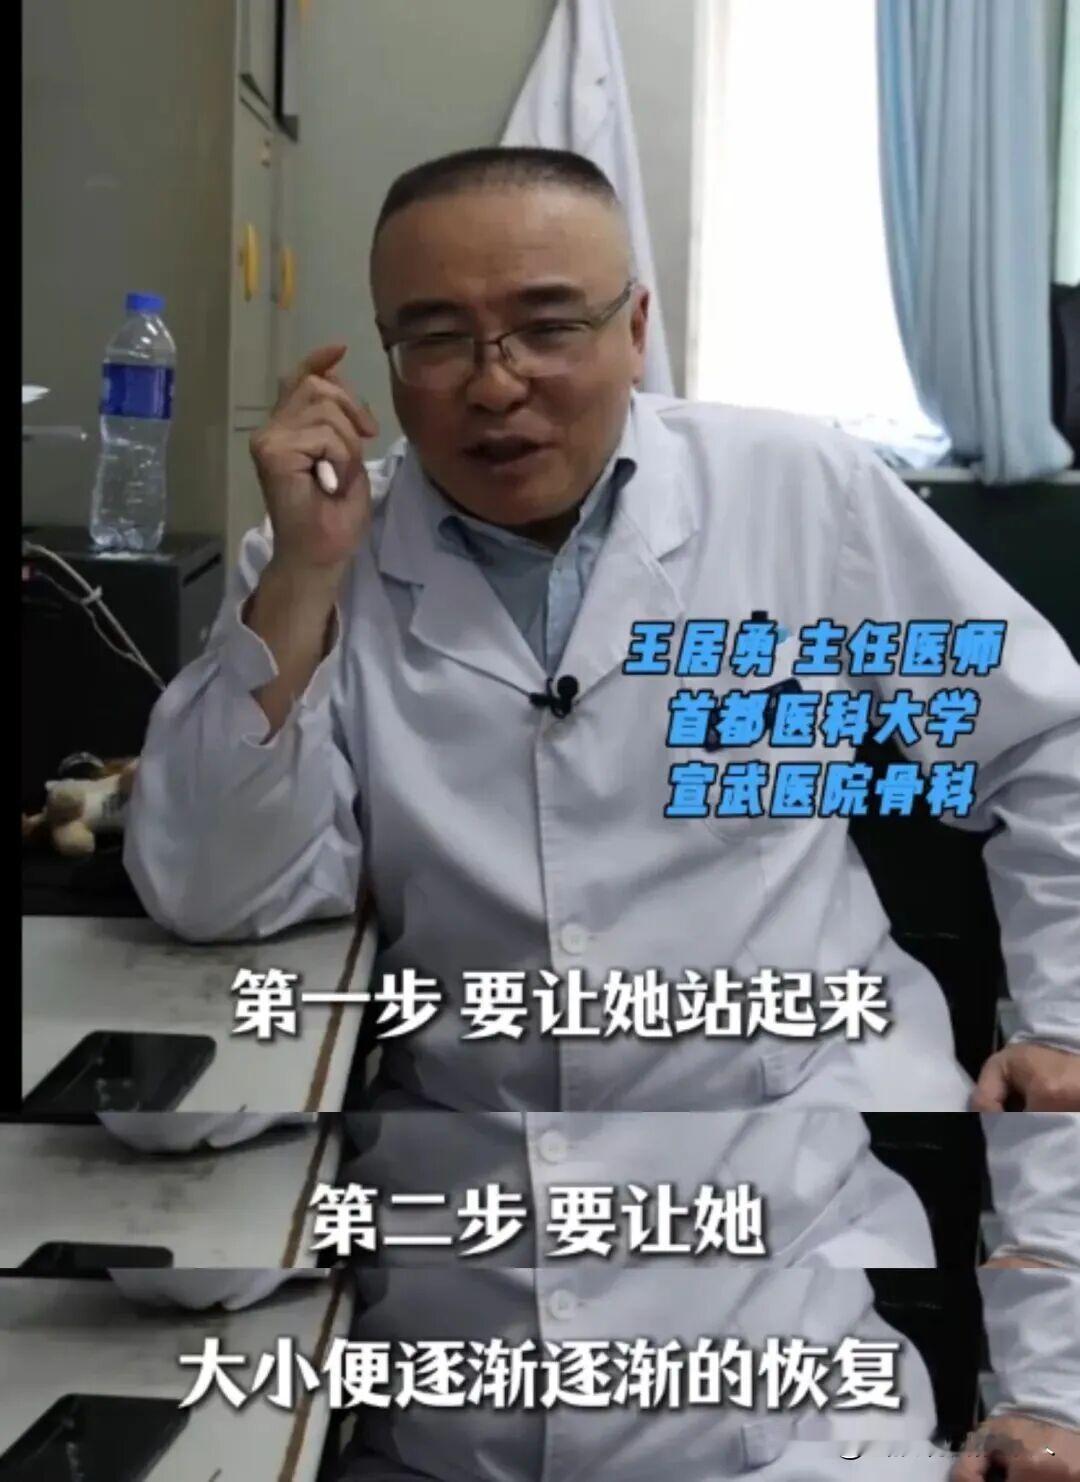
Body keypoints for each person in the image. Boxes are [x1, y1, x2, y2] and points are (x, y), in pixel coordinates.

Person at [123, 146, 1080, 1479]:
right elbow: (207, 887)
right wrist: (299, 581)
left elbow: (1049, 750)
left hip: (785, 1389)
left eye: (548, 325)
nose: (494, 383)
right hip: (442, 1379)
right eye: (435, 338)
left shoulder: (793, 493)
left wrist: (1052, 1379)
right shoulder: (334, 554)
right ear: (382, 361)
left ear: (635, 328)